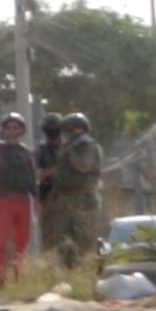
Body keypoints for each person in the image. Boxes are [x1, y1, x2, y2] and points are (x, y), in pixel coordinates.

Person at [0, 114, 40, 287]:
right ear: (3, 130)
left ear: (22, 129)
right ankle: (1, 279)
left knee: (23, 243)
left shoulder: (27, 153)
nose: (11, 131)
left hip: (24, 201)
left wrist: (36, 200)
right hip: (3, 201)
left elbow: (33, 179)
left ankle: (20, 279)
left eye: (15, 127)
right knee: (1, 242)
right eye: (8, 127)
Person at [43, 110, 108, 279]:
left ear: (84, 129)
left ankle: (86, 277)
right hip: (65, 200)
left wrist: (70, 151)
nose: (71, 132)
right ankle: (67, 276)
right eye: (68, 129)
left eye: (76, 128)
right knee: (64, 242)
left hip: (84, 201)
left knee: (84, 241)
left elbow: (83, 166)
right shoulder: (65, 148)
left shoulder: (90, 147)